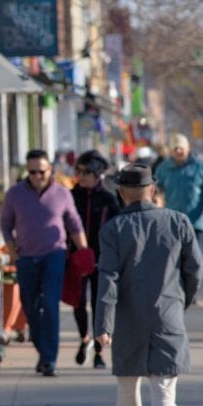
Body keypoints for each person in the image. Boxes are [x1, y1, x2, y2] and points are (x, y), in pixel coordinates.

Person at [94, 164, 203, 406]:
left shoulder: (113, 229)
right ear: (153, 190)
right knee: (165, 387)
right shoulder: (178, 222)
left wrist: (103, 325)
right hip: (168, 312)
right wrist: (182, 300)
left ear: (121, 193)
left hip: (128, 317)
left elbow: (108, 279)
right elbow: (195, 270)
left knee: (128, 385)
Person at [0, 149, 88, 377]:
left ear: (50, 170)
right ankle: (43, 351)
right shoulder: (14, 194)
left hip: (54, 256)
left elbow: (75, 224)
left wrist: (84, 252)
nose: (37, 176)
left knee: (50, 306)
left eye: (41, 171)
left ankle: (49, 359)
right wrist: (12, 252)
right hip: (26, 258)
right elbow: (6, 225)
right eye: (32, 172)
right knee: (30, 307)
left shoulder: (62, 193)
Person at [70, 151, 121, 368]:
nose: (81, 176)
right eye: (78, 171)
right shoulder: (72, 196)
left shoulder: (109, 197)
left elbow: (120, 226)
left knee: (98, 304)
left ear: (98, 174)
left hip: (102, 259)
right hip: (77, 258)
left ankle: (99, 352)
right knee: (78, 301)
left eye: (86, 172)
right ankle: (84, 338)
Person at [154, 133, 203, 253]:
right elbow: (154, 190)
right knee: (174, 261)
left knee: (195, 261)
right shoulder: (163, 168)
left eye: (181, 148)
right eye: (175, 148)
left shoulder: (200, 168)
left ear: (188, 148)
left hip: (196, 223)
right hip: (172, 223)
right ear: (171, 150)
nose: (179, 151)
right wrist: (156, 201)